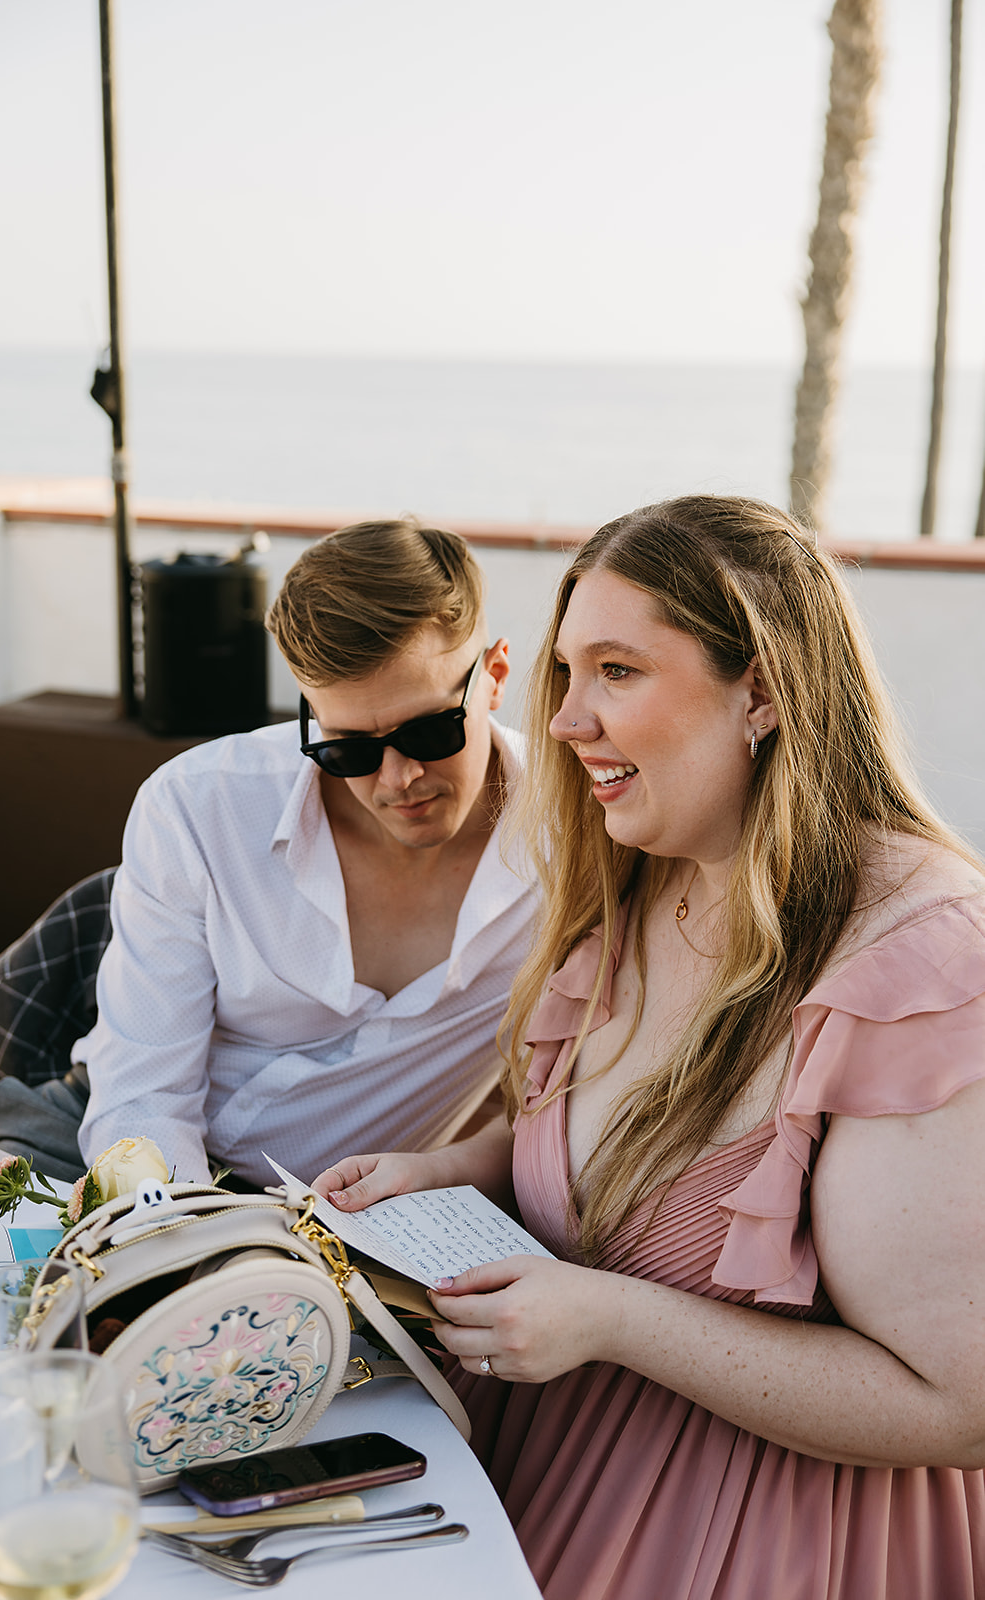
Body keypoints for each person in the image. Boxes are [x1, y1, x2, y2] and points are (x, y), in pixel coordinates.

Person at [313, 495, 985, 1600]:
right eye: (566, 675)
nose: (566, 723)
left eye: (617, 672)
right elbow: (612, 1153)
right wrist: (447, 1167)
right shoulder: (640, 876)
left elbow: (956, 1404)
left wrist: (613, 1319)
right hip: (521, 1486)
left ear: (760, 687)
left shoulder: (919, 969)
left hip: (762, 1547)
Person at [75, 518, 537, 1187]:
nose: (397, 778)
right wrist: (204, 1245)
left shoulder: (580, 841)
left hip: (364, 1222)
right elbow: (141, 1101)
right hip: (122, 1166)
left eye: (431, 730)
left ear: (494, 675)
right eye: (348, 747)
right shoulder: (197, 809)